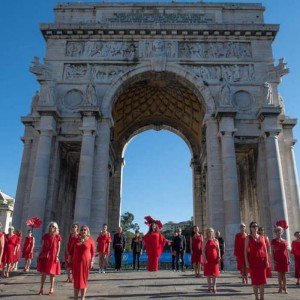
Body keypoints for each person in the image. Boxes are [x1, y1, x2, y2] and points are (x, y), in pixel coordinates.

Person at [69, 225, 95, 300]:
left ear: (87, 231)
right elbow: (71, 251)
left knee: (84, 279)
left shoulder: (90, 240)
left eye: (85, 230)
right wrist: (69, 260)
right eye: (82, 230)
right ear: (80, 231)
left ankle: (82, 297)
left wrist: (92, 261)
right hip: (76, 263)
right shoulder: (75, 239)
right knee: (76, 280)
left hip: (85, 263)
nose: (83, 231)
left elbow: (93, 252)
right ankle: (75, 297)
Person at [245, 221, 269, 300]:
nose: (255, 227)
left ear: (257, 228)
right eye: (253, 226)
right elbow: (245, 251)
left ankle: (262, 297)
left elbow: (265, 249)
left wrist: (267, 260)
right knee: (255, 280)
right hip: (253, 260)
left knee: (262, 280)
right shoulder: (248, 237)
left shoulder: (262, 237)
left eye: (256, 226)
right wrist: (247, 262)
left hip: (261, 260)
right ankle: (256, 297)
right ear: (250, 228)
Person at [37, 221, 61, 295]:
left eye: (53, 226)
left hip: (53, 256)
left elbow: (59, 247)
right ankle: (41, 288)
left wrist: (57, 256)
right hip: (45, 255)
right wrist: (39, 255)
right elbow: (42, 246)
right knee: (43, 273)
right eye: (51, 226)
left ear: (56, 228)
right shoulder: (45, 236)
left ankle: (51, 288)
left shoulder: (57, 236)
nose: (51, 227)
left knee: (52, 273)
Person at [271, 226, 290, 293]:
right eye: (277, 231)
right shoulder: (273, 241)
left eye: (280, 231)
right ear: (276, 232)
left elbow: (287, 251)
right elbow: (272, 251)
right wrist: (273, 259)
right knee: (279, 274)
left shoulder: (285, 241)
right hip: (277, 259)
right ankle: (280, 288)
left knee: (284, 275)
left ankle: (285, 288)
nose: (279, 232)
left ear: (282, 232)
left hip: (284, 258)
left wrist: (288, 259)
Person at [202, 227, 220, 293]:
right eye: (209, 231)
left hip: (215, 259)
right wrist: (204, 258)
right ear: (207, 233)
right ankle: (209, 287)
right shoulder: (205, 240)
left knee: (215, 274)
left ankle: (214, 286)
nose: (210, 233)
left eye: (211, 231)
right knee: (209, 273)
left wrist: (219, 256)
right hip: (208, 258)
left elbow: (218, 249)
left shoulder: (216, 240)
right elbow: (203, 250)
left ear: (213, 232)